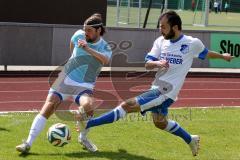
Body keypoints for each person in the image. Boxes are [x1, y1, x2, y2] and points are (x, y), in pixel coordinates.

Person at [78, 11, 234, 156]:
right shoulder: (160, 41)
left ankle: (89, 123)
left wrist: (223, 56)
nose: (161, 30)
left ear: (175, 27)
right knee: (160, 123)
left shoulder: (192, 43)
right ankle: (190, 139)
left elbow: (206, 53)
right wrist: (158, 63)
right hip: (156, 87)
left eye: (164, 27)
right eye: (160, 27)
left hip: (166, 92)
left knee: (127, 105)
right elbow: (147, 63)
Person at [16, 13, 112, 153]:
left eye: (89, 31)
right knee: (48, 107)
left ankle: (83, 138)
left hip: (84, 85)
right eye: (84, 29)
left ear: (98, 30)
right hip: (65, 79)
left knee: (89, 106)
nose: (85, 33)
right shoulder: (78, 35)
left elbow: (105, 60)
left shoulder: (105, 47)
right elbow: (72, 44)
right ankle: (28, 143)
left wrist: (87, 49)